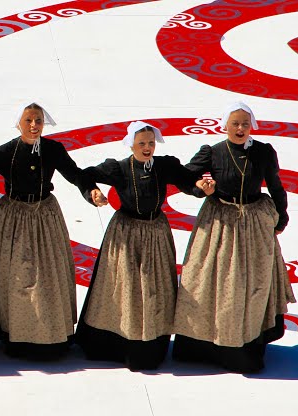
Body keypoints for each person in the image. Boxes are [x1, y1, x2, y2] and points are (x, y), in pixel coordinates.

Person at [172, 102, 296, 373]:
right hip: (220, 222)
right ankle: (206, 343)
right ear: (224, 125)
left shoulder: (263, 152)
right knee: (213, 281)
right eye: (235, 124)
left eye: (245, 124)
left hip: (253, 223)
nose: (240, 129)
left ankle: (245, 342)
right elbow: (183, 177)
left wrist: (281, 216)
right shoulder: (213, 153)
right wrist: (199, 189)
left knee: (251, 282)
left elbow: (275, 186)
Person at [73, 121, 204, 370]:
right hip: (126, 234)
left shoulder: (164, 166)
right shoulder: (120, 169)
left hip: (156, 233)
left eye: (151, 143)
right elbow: (85, 174)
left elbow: (187, 180)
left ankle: (149, 344)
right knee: (124, 286)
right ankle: (116, 343)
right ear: (131, 144)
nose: (147, 147)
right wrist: (92, 192)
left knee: (154, 286)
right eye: (142, 143)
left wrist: (199, 188)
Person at [0, 103, 98, 360]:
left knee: (46, 274)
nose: (34, 125)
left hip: (44, 215)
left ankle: (48, 334)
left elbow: (75, 174)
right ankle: (17, 335)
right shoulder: (6, 151)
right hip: (14, 217)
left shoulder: (53, 150)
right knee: (17, 276)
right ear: (18, 123)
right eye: (29, 120)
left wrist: (91, 191)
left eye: (38, 120)